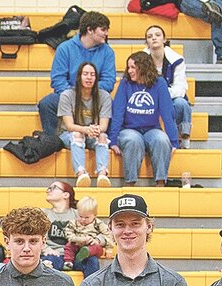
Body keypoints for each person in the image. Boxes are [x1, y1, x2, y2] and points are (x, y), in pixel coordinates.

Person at [37, 11, 113, 139]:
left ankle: (100, 138)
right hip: (70, 94)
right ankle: (55, 140)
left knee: (111, 103)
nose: (106, 33)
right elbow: (58, 80)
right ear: (90, 30)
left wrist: (88, 92)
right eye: (103, 29)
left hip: (94, 95)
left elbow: (108, 81)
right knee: (47, 103)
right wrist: (75, 94)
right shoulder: (64, 48)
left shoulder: (107, 51)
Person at [109, 52, 178, 188]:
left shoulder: (159, 83)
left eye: (133, 67)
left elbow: (167, 112)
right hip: (129, 129)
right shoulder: (125, 83)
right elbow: (118, 112)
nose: (130, 71)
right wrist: (113, 139)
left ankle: (160, 183)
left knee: (161, 140)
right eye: (128, 67)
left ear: (144, 67)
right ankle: (130, 184)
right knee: (133, 140)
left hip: (151, 129)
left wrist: (173, 141)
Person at [58, 61, 112, 187]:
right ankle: (81, 174)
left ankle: (102, 174)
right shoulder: (67, 95)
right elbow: (69, 126)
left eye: (92, 75)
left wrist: (94, 130)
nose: (89, 77)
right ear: (79, 76)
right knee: (77, 134)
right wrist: (85, 129)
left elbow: (104, 126)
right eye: (85, 74)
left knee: (103, 136)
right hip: (69, 134)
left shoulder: (104, 96)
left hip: (92, 134)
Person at [142, 26, 193, 149]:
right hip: (149, 99)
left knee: (181, 103)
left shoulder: (177, 60)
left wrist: (162, 94)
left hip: (171, 97)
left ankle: (184, 136)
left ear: (164, 39)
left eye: (157, 35)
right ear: (147, 42)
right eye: (150, 36)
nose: (154, 38)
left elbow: (180, 89)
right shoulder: (141, 60)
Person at [177, 0, 222, 65]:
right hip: (191, 2)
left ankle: (217, 6)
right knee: (218, 14)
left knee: (218, 14)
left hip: (212, 2)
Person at [63, 196, 110, 277]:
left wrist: (99, 242)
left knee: (96, 251)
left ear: (95, 215)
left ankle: (87, 252)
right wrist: (80, 239)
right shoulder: (73, 223)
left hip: (92, 246)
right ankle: (68, 262)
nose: (83, 220)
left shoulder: (98, 224)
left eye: (86, 217)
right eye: (80, 216)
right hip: (78, 247)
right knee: (69, 245)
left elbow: (108, 235)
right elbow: (68, 235)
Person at [41, 180, 77, 270]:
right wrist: (46, 249)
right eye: (49, 188)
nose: (48, 191)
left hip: (74, 255)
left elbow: (98, 229)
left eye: (53, 188)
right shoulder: (43, 214)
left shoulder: (78, 214)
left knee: (92, 260)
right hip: (52, 254)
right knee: (49, 261)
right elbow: (35, 236)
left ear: (66, 195)